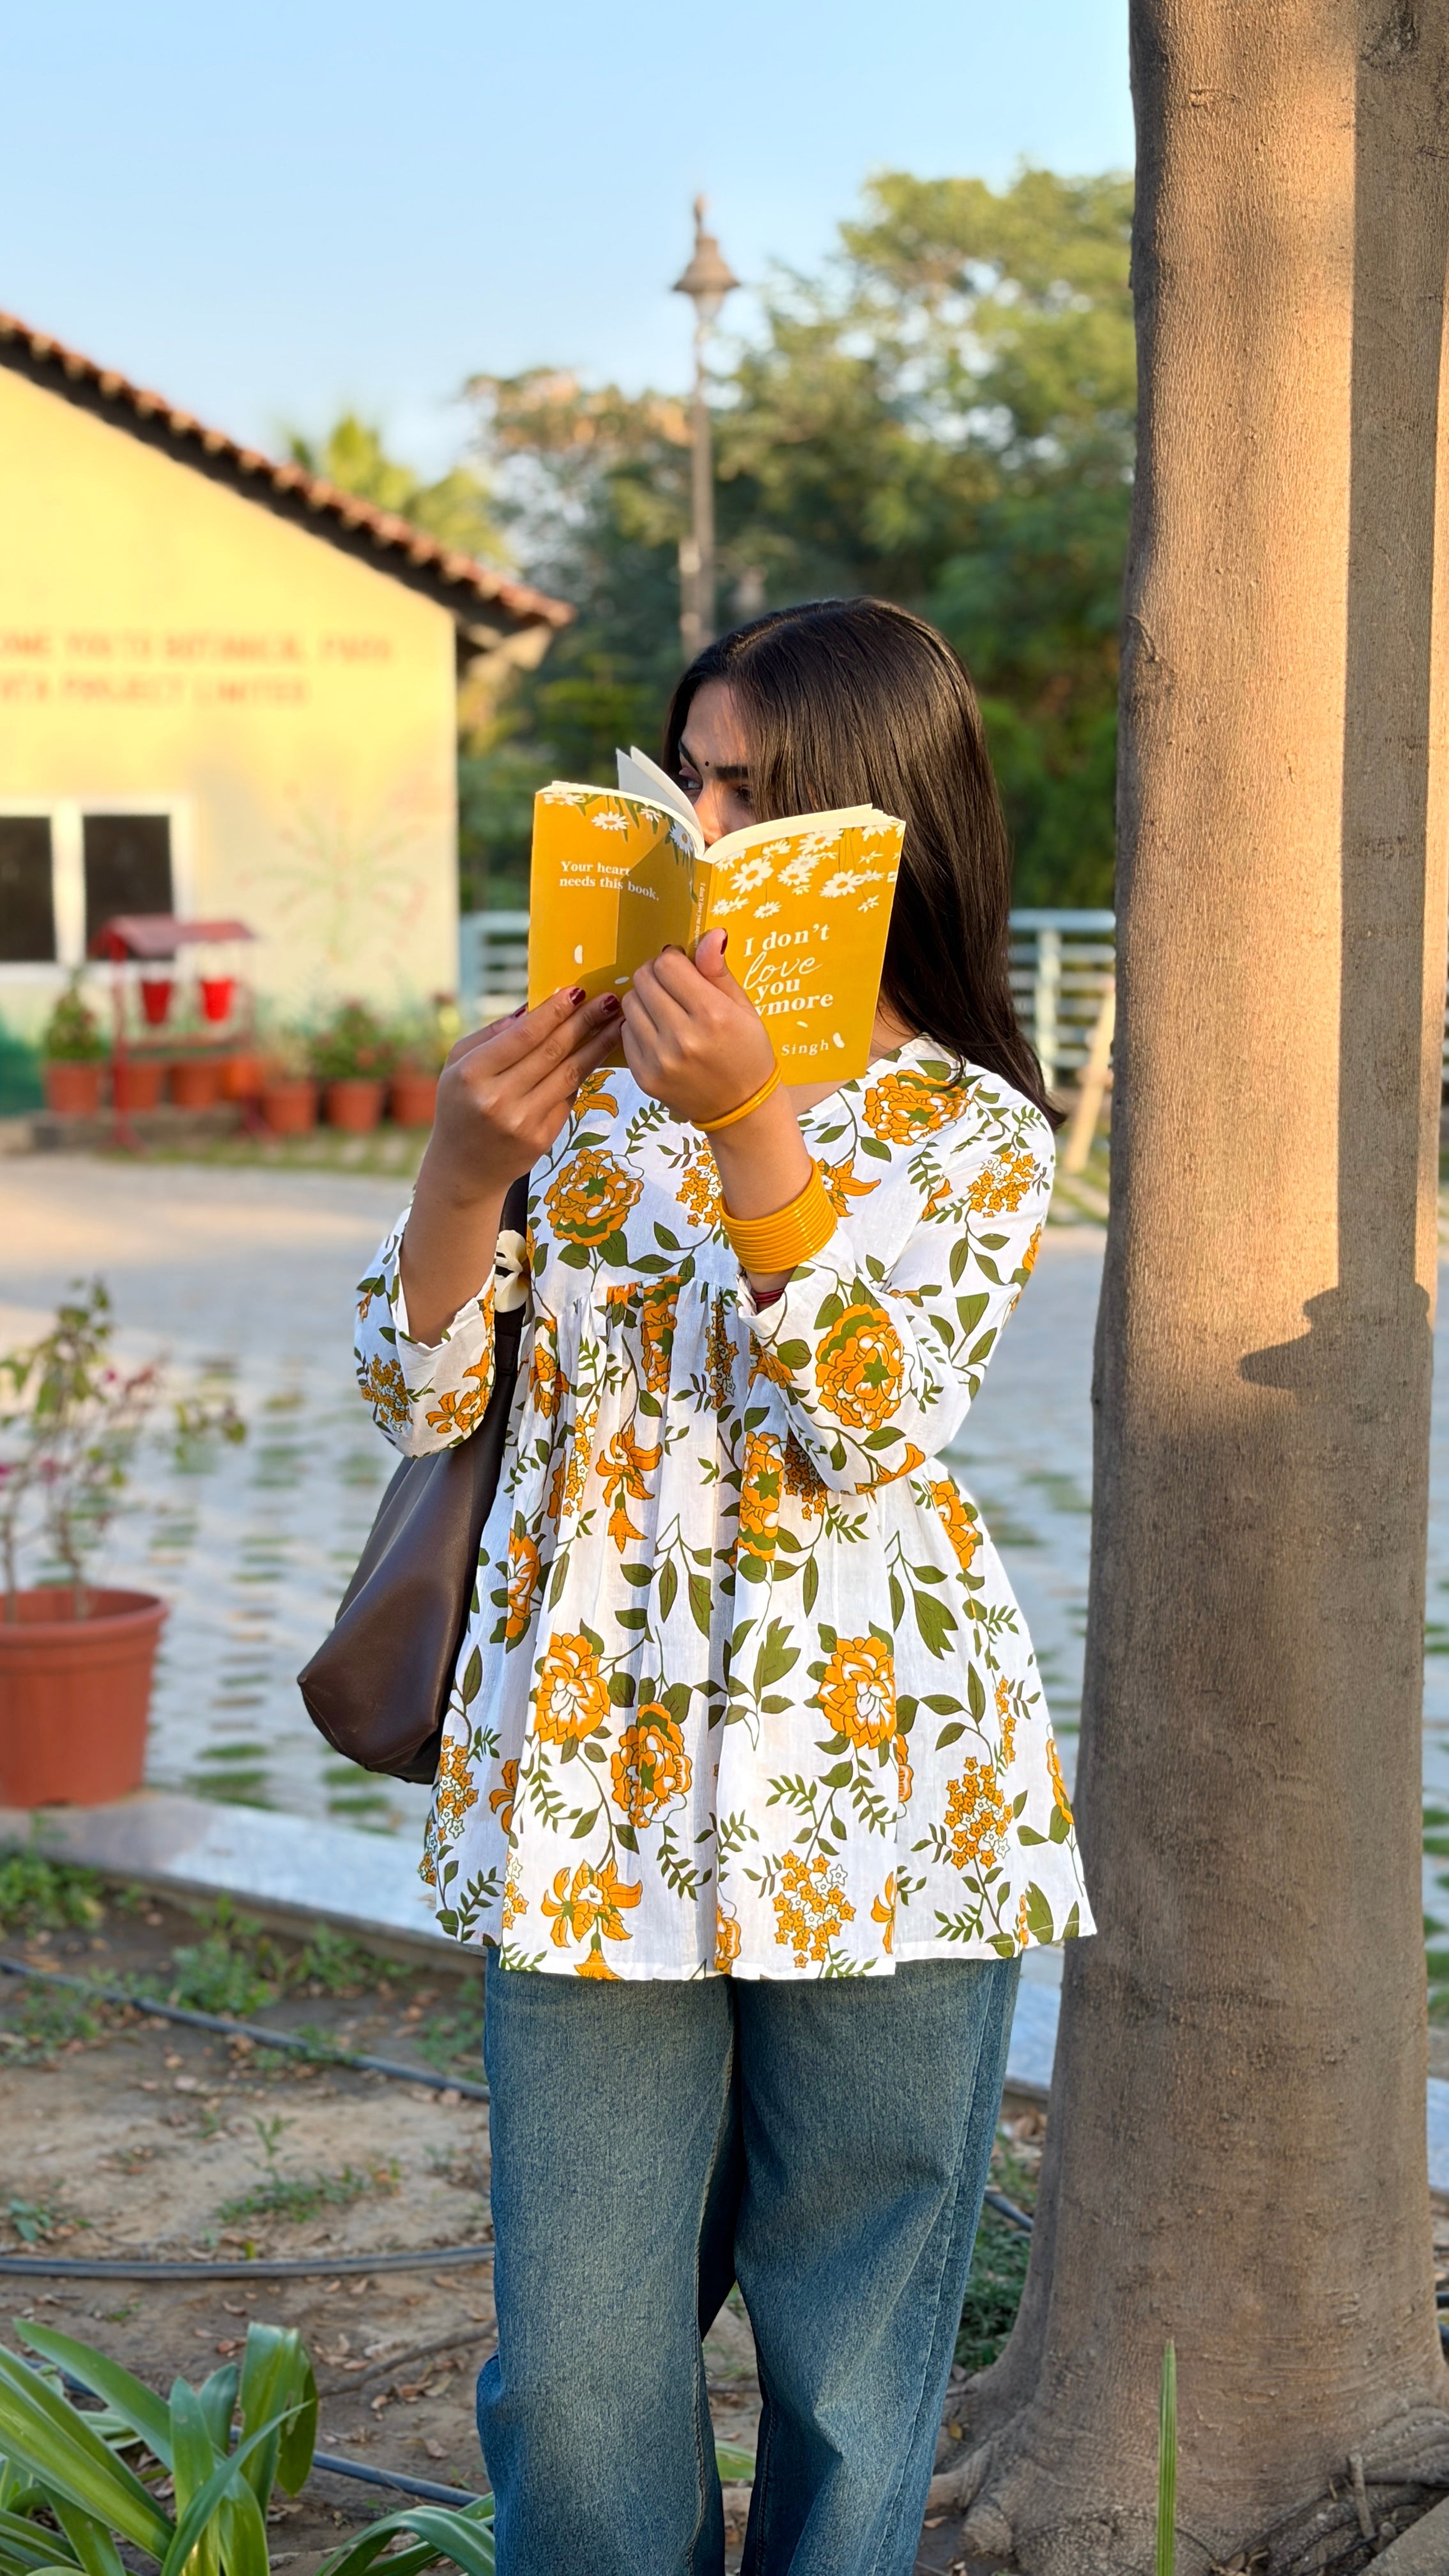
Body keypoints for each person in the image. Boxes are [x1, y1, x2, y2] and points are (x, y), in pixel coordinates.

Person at [355, 597, 1094, 2576]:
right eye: (684, 777)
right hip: (585, 1784)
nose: (697, 814)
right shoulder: (576, 1090)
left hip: (882, 1792)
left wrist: (756, 1127)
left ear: (870, 828)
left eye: (744, 791)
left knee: (855, 2362)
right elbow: (415, 1392)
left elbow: (873, 1417)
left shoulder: (966, 1126)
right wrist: (453, 1171)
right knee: (580, 2368)